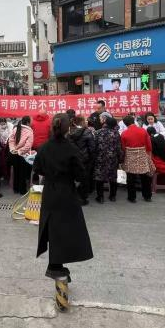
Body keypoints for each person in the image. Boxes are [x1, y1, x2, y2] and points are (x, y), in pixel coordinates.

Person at [33, 113, 93, 282]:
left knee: (53, 229)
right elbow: (81, 174)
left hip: (50, 192)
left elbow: (37, 168)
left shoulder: (44, 147)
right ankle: (55, 266)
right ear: (68, 128)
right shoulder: (71, 148)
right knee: (67, 230)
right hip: (66, 192)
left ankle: (55, 265)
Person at [120, 115, 153, 203]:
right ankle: (147, 196)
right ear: (134, 121)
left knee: (131, 178)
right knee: (145, 177)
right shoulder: (143, 130)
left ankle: (132, 197)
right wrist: (149, 156)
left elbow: (123, 148)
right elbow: (149, 145)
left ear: (125, 124)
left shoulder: (124, 133)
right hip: (142, 155)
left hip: (130, 157)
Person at [93, 116, 122, 203]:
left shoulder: (98, 132)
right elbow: (118, 148)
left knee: (99, 177)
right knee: (113, 177)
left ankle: (100, 197)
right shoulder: (116, 133)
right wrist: (120, 159)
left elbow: (94, 146)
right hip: (112, 158)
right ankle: (112, 196)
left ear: (106, 123)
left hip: (100, 158)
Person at [69, 116, 96, 205]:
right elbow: (92, 147)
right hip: (85, 159)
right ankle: (82, 199)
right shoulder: (87, 132)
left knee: (73, 178)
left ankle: (72, 197)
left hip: (73, 159)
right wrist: (92, 158)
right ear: (82, 122)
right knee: (84, 179)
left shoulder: (70, 131)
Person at [9, 116, 34, 195]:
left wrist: (13, 149)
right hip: (24, 155)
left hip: (14, 154)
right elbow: (28, 146)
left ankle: (16, 188)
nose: (32, 122)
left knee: (16, 171)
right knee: (23, 173)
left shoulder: (15, 129)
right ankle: (22, 190)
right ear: (28, 123)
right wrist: (20, 151)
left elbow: (11, 140)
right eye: (31, 121)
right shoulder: (29, 131)